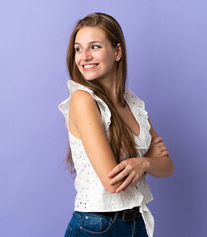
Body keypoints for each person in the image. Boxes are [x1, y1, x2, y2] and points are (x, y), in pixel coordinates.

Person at [58, 12, 174, 237]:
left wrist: (143, 163)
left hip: (136, 220)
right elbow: (113, 181)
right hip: (97, 226)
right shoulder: (83, 100)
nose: (84, 57)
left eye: (95, 47)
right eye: (78, 48)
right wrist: (149, 158)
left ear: (117, 52)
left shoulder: (131, 103)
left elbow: (167, 166)